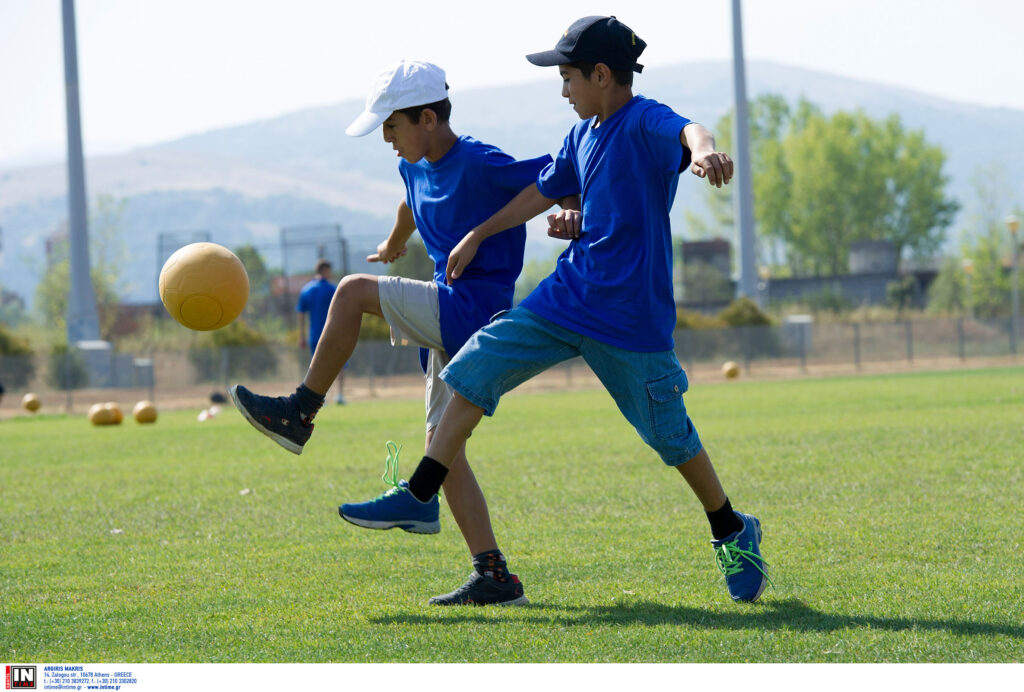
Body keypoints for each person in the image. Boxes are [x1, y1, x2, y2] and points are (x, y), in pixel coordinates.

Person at [338, 17, 771, 603]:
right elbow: (541, 192)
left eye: (567, 77)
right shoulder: (579, 137)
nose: (562, 89)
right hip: (566, 298)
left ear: (600, 74)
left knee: (672, 439)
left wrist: (708, 152)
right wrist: (480, 234)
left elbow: (690, 130)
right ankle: (419, 492)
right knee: (473, 365)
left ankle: (731, 529)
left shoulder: (642, 121)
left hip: (629, 319)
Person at [230, 59, 577, 606]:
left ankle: (299, 413)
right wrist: (394, 243)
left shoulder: (483, 162)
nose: (387, 139)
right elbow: (408, 202)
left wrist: (571, 214)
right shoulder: (413, 165)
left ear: (427, 119)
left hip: (475, 309)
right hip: (447, 305)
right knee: (445, 450)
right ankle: (494, 576)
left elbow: (560, 180)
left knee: (350, 292)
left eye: (392, 127)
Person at [297, 259, 347, 404]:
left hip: (314, 336)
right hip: (334, 334)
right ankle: (339, 395)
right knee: (339, 365)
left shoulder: (306, 289)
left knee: (317, 368)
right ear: (324, 271)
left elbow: (301, 314)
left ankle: (319, 398)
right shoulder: (333, 289)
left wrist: (302, 335)